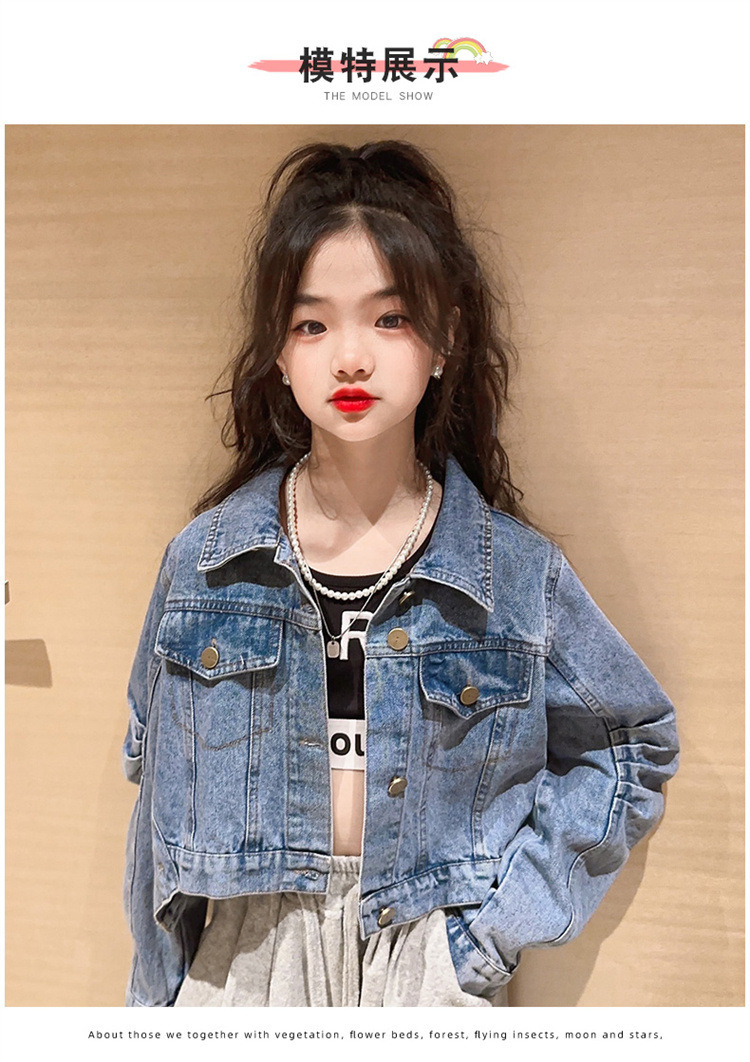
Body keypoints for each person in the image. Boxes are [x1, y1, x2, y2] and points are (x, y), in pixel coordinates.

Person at [121, 140, 679, 1008]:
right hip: (243, 961)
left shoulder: (512, 576)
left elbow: (631, 743)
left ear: (446, 338)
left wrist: (481, 942)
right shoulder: (205, 562)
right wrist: (155, 1002)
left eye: (389, 319)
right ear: (279, 352)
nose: (350, 357)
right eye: (312, 324)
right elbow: (155, 787)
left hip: (424, 961)